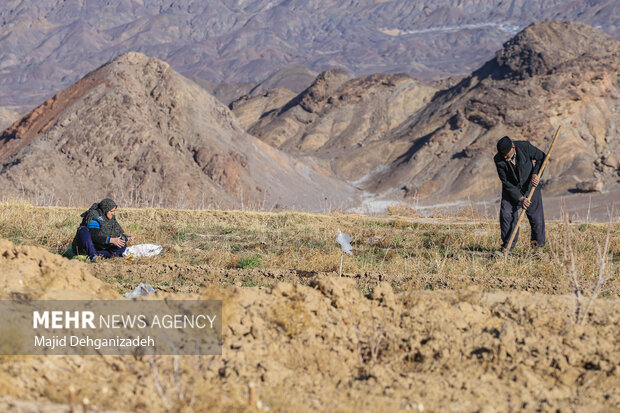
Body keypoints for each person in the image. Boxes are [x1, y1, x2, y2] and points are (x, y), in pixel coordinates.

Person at [494, 136, 546, 253]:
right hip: (511, 192)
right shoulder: (498, 159)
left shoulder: (525, 147)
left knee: (536, 220)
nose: (505, 157)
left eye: (507, 154)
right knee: (507, 216)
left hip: (530, 188)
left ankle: (537, 249)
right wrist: (520, 198)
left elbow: (542, 158)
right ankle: (507, 248)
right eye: (503, 155)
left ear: (513, 147)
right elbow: (505, 182)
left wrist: (536, 174)